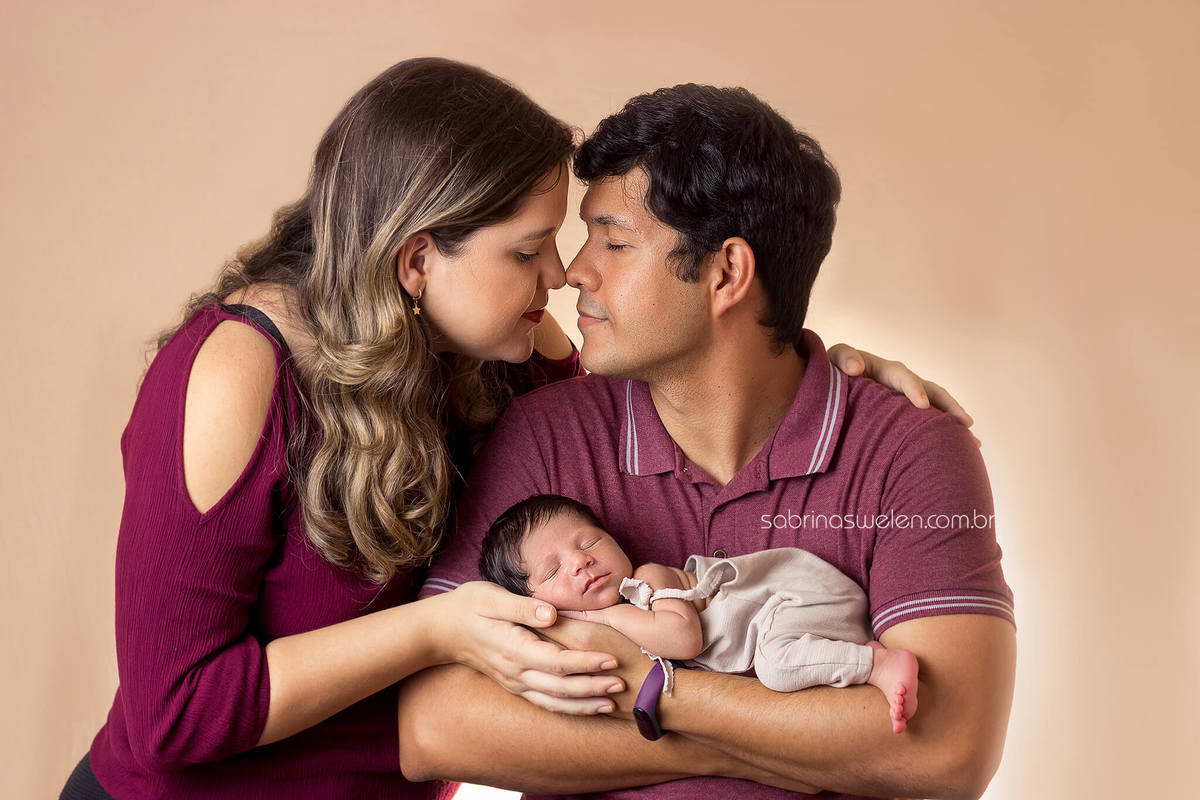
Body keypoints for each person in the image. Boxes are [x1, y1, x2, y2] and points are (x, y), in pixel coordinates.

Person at [59, 60, 957, 800]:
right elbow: (174, 717)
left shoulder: (504, 348)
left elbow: (686, 370)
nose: (562, 274)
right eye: (527, 252)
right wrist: (437, 633)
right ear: (418, 260)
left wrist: (823, 368)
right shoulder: (236, 370)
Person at [401, 83, 1016, 800]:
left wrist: (658, 694)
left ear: (726, 272)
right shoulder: (545, 433)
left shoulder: (911, 449)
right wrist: (779, 744)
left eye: (615, 242)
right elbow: (434, 725)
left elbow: (946, 755)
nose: (574, 271)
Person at [480, 494, 920, 734]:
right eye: (554, 570)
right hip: (796, 620)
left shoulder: (646, 582)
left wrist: (609, 618)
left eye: (589, 543)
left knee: (777, 668)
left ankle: (877, 663)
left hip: (795, 598)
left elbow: (682, 639)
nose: (579, 562)